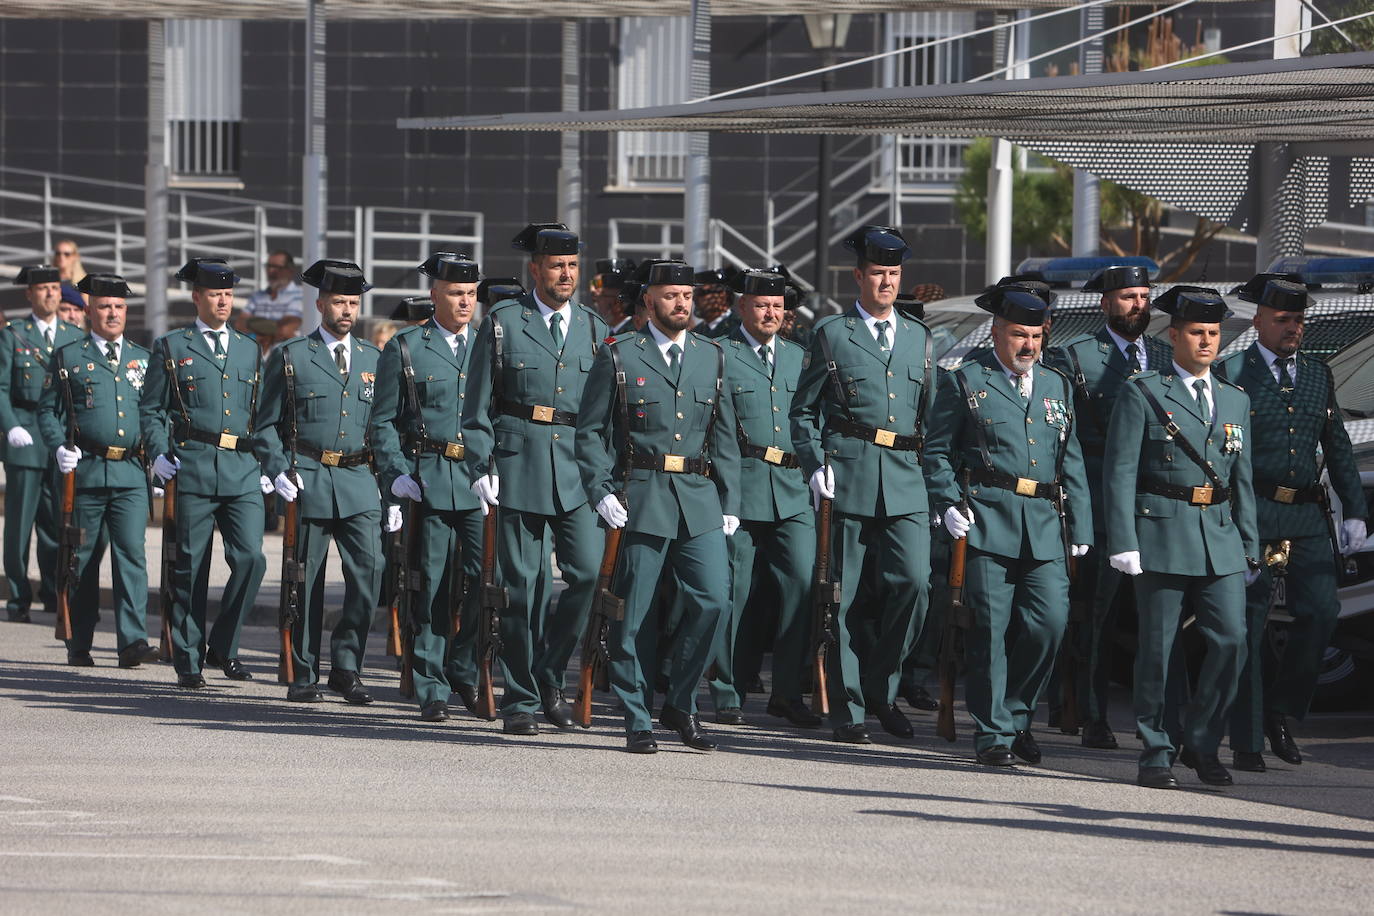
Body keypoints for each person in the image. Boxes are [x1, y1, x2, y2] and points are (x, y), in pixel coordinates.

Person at [576, 259, 741, 753]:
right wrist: (600, 490)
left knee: (714, 600)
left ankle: (682, 702)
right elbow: (590, 433)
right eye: (671, 296)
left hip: (698, 498)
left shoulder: (712, 356)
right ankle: (636, 715)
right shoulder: (621, 354)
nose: (682, 304)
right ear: (649, 301)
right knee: (634, 615)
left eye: (687, 296)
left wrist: (730, 498)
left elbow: (726, 436)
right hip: (641, 494)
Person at [925, 286, 1091, 766]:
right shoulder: (967, 382)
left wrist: (1082, 528)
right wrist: (948, 500)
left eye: (1036, 336)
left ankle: (1017, 716)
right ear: (997, 332)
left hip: (1044, 524)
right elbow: (936, 452)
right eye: (1019, 334)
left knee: (1049, 625)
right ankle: (994, 733)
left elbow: (1071, 462)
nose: (1028, 346)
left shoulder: (1057, 385)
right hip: (988, 520)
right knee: (991, 630)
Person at [1103, 285, 1258, 789]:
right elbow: (1120, 470)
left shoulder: (1234, 398)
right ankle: (1155, 751)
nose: (1208, 342)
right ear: (1174, 336)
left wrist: (1250, 543)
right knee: (1157, 650)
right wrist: (1123, 540)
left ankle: (1201, 740)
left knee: (1232, 640)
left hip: (1219, 537)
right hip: (1161, 532)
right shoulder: (1145, 390)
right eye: (1197, 333)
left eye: (1214, 333)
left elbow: (1242, 481)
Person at [789, 225, 934, 744]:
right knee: (840, 597)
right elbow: (802, 411)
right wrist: (813, 463)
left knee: (915, 586)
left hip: (906, 479)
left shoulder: (920, 336)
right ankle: (849, 707)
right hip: (847, 473)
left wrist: (939, 486)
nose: (887, 283)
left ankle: (881, 688)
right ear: (859, 276)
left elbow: (931, 418)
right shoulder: (832, 332)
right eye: (878, 274)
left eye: (894, 275)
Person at [462, 223, 609, 735]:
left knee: (588, 575)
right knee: (521, 590)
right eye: (556, 266)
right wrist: (481, 464)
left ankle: (549, 673)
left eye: (572, 266)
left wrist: (607, 477)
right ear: (536, 270)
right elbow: (476, 405)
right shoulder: (504, 322)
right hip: (518, 462)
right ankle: (521, 699)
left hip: (577, 468)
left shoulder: (593, 327)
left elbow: (604, 412)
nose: (565, 274)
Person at [1217, 275, 1366, 772]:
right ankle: (1246, 740)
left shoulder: (1318, 374)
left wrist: (1357, 511)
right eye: (1282, 320)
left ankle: (1279, 710)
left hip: (1305, 514)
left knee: (1322, 612)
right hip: (1256, 513)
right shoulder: (1231, 372)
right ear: (1257, 320)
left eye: (1299, 320)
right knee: (1251, 623)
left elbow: (1338, 445)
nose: (1293, 329)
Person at [1044, 265, 1172, 749]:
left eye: (1143, 296)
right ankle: (1091, 712)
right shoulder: (1077, 357)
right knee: (1098, 614)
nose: (1137, 304)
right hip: (1099, 501)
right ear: (1104, 303)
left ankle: (1161, 720)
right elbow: (1067, 438)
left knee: (1156, 616)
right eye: (1127, 297)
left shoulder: (1163, 355)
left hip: (1159, 503)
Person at [254, 259, 392, 704]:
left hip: (357, 478)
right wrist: (277, 470)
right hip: (308, 477)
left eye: (353, 303)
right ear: (321, 304)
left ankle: (347, 665)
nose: (347, 310)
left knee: (370, 572)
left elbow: (385, 425)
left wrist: (389, 485)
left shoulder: (375, 359)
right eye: (339, 302)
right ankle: (304, 670)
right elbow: (265, 425)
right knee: (304, 581)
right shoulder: (292, 355)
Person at [142, 258, 270, 689]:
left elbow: (261, 414)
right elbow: (153, 409)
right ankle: (189, 658)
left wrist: (271, 463)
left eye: (228, 294)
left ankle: (223, 645)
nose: (222, 301)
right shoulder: (172, 346)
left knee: (252, 558)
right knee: (191, 568)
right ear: (197, 297)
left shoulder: (250, 348)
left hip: (241, 468)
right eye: (214, 294)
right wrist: (158, 453)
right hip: (193, 463)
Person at [371, 253, 486, 722]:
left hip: (478, 483)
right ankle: (432, 683)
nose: (465, 302)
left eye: (472, 294)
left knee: (487, 580)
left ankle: (462, 664)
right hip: (430, 477)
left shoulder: (487, 346)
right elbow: (381, 422)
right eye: (457, 293)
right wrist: (395, 472)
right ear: (435, 295)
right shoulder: (406, 347)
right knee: (432, 585)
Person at [707, 269, 818, 728]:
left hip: (792, 490)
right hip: (742, 486)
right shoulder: (719, 354)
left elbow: (814, 418)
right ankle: (727, 688)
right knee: (734, 591)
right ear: (741, 307)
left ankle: (788, 691)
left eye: (777, 306)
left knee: (802, 585)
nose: (771, 312)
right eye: (760, 305)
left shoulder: (799, 357)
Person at [37, 273, 160, 667]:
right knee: (82, 560)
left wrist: (159, 460)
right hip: (86, 471)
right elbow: (47, 410)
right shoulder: (69, 357)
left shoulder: (144, 359)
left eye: (119, 307)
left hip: (129, 474)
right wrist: (59, 447)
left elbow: (158, 415)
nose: (112, 313)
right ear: (89, 311)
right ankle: (80, 640)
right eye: (105, 306)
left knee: (132, 558)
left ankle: (132, 641)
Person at [1, 265, 84, 622]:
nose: (50, 294)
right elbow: (2, 388)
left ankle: (53, 591)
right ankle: (19, 596)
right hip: (26, 435)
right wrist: (9, 427)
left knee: (55, 522)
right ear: (29, 295)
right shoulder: (14, 335)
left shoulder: (71, 334)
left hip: (60, 438)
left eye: (54, 288)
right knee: (19, 524)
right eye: (43, 289)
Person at [237, 249, 304, 348]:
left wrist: (253, 325)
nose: (271, 271)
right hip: (257, 353)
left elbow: (286, 329)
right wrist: (268, 332)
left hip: (285, 355)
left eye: (277, 267)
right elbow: (240, 324)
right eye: (269, 266)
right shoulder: (257, 296)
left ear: (290, 271)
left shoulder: (300, 295)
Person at [693, 268, 739, 338]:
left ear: (722, 296)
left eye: (701, 293)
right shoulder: (695, 332)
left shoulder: (739, 329)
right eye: (695, 293)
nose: (694, 299)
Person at [590, 258, 635, 327]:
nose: (593, 290)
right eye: (594, 283)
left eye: (598, 284)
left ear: (616, 302)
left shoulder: (633, 331)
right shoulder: (605, 331)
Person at [53, 239, 87, 306]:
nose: (61, 257)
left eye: (67, 254)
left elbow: (86, 307)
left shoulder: (83, 281)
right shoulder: (50, 279)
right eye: (58, 254)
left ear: (75, 256)